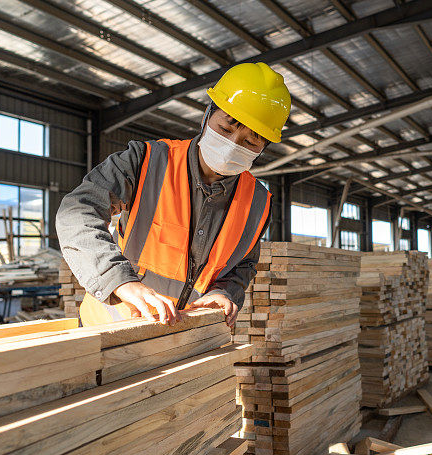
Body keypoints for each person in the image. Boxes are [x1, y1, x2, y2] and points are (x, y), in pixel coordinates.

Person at [56, 62, 290, 327]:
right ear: (206, 116)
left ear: (264, 147)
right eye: (226, 129)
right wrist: (120, 281)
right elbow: (78, 211)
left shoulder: (258, 203)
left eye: (250, 141)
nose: (231, 145)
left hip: (184, 337)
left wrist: (224, 292)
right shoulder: (145, 161)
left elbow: (243, 264)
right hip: (113, 326)